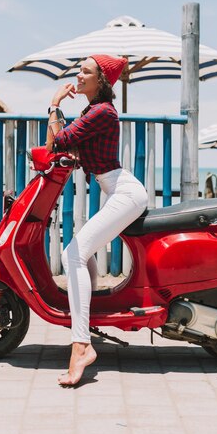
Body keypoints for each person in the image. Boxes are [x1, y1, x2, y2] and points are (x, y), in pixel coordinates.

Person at [46, 54, 148, 387]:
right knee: (81, 251)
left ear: (101, 80)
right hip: (115, 189)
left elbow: (57, 143)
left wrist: (54, 104)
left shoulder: (102, 112)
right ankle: (86, 320)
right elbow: (69, 145)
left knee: (72, 254)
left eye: (86, 71)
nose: (79, 75)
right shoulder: (92, 112)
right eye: (80, 69)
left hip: (124, 193)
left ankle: (82, 346)